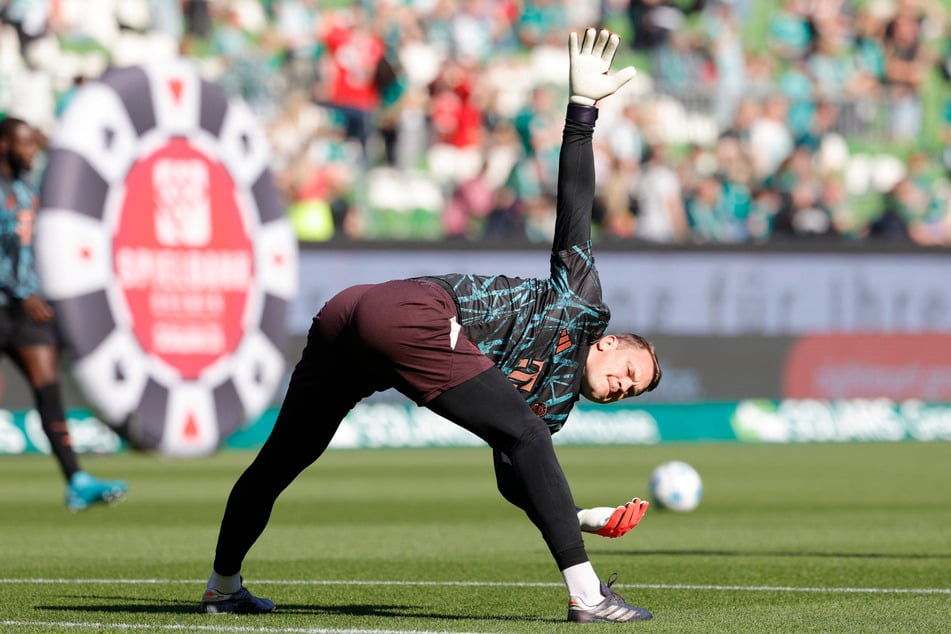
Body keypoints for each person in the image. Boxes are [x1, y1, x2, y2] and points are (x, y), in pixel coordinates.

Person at [201, 29, 660, 623]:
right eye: (629, 370)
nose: (623, 384)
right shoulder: (583, 301)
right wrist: (581, 113)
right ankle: (589, 597)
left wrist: (578, 517)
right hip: (410, 312)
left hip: (353, 320)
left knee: (281, 461)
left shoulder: (550, 405)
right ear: (612, 341)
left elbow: (515, 471)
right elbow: (574, 205)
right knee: (524, 436)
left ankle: (221, 587)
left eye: (631, 390)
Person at [0, 116, 128, 512]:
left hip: (26, 310)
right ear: (4, 146)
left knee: (49, 390)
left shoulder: (26, 189)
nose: (31, 152)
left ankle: (77, 480)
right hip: (14, 300)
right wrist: (21, 292)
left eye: (33, 145)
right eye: (24, 145)